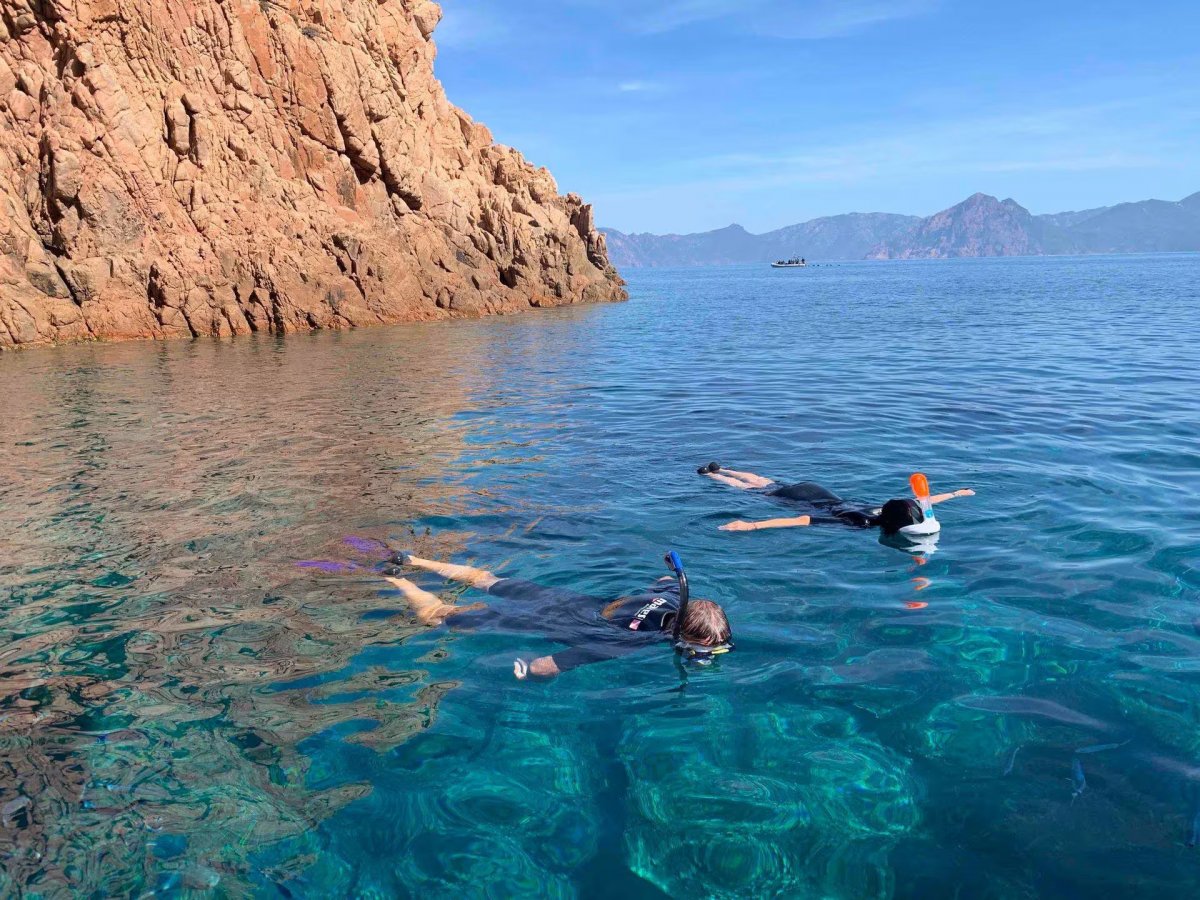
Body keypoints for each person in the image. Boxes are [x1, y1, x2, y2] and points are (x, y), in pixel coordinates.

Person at [381, 552, 733, 680]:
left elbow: (661, 578)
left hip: (567, 599)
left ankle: (413, 561)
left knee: (486, 580)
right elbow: (547, 665)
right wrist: (525, 673)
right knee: (439, 616)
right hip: (555, 622)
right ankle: (394, 582)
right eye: (701, 650)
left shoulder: (673, 596)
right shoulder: (627, 643)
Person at [696, 462, 974, 535]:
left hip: (815, 489)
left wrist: (955, 494)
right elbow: (803, 520)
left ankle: (722, 469)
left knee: (762, 481)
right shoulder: (861, 522)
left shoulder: (875, 510)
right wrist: (751, 526)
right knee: (755, 489)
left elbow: (925, 502)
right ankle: (714, 476)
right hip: (799, 500)